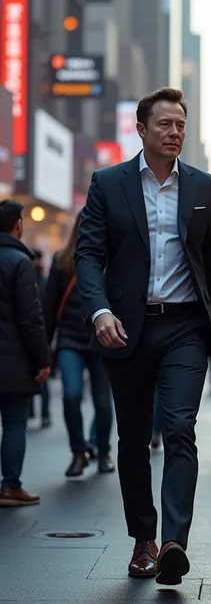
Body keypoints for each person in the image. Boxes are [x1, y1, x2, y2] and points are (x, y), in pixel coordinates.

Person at [75, 87, 211, 586]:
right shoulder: (108, 183)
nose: (174, 133)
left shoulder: (204, 187)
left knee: (180, 427)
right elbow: (87, 254)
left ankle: (173, 543)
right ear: (141, 130)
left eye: (181, 125)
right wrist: (99, 310)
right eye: (165, 124)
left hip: (186, 327)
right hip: (126, 329)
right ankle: (143, 538)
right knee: (133, 440)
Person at [44, 211, 114, 478]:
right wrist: (43, 349)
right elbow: (49, 307)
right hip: (70, 339)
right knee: (71, 395)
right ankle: (78, 452)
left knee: (103, 402)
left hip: (103, 339)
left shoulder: (114, 261)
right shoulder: (62, 261)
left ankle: (104, 451)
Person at [0, 201, 50, 506]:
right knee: (15, 423)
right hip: (12, 360)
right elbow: (31, 318)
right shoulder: (20, 263)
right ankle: (11, 486)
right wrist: (42, 360)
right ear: (18, 225)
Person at [30, 248, 51, 428]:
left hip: (34, 334)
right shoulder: (43, 282)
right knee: (42, 375)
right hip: (40, 333)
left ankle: (36, 412)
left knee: (33, 375)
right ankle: (44, 413)